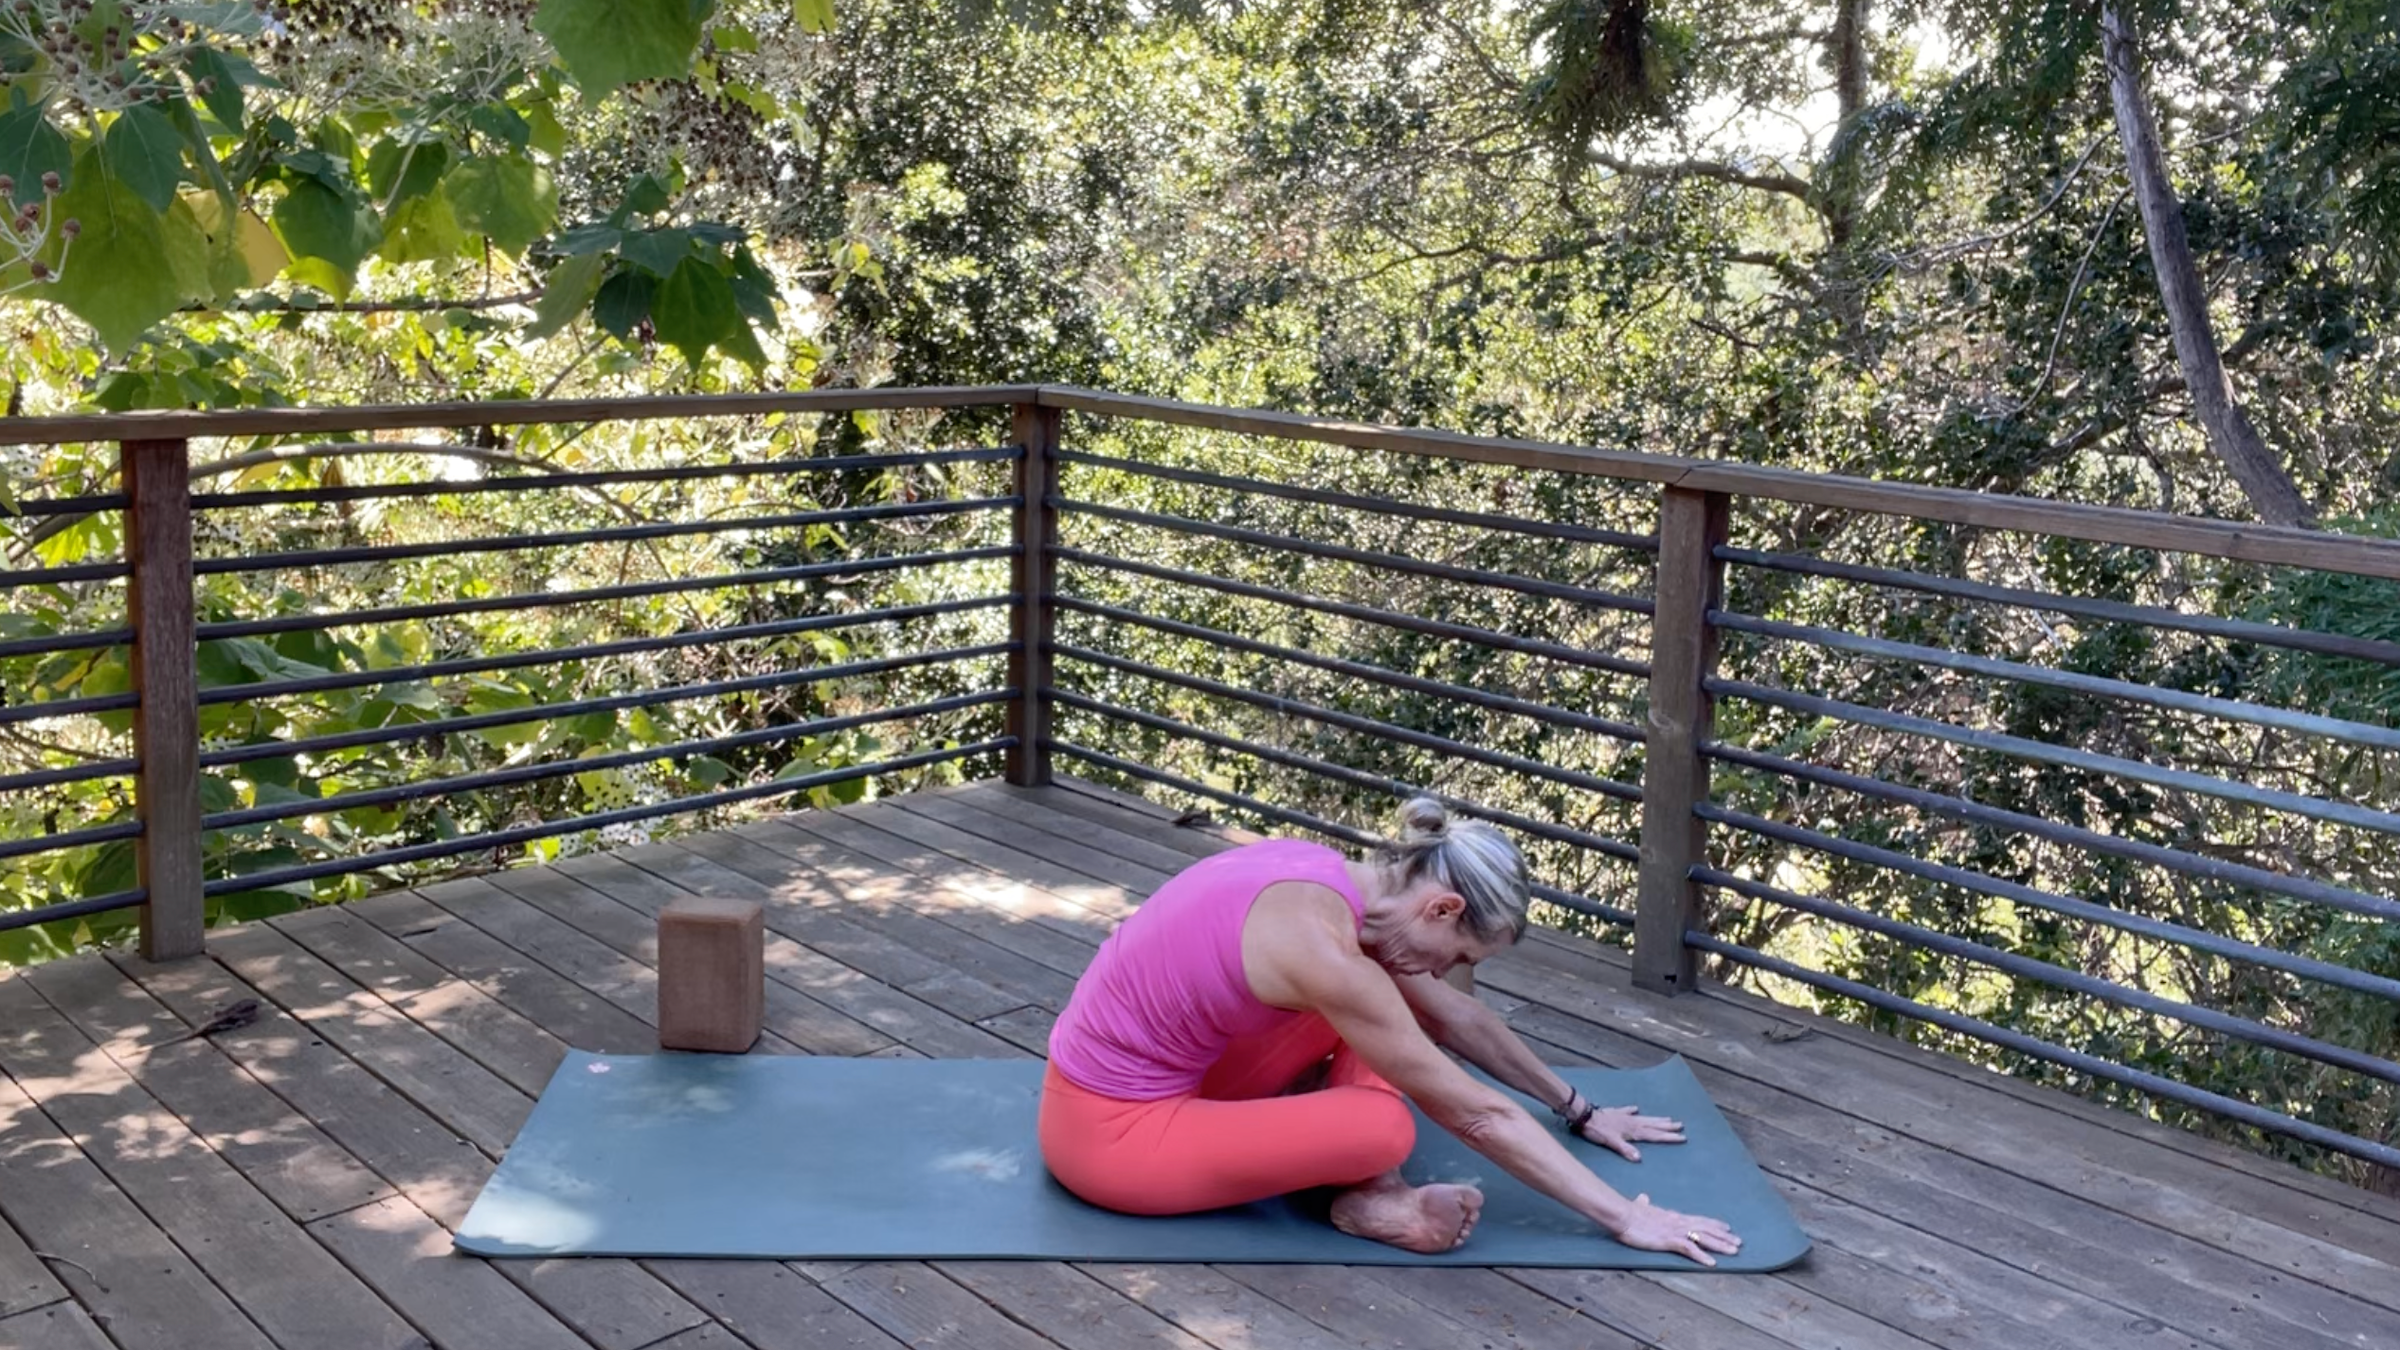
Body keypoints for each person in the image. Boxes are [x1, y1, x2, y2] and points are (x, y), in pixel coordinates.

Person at [1038, 796, 1743, 1264]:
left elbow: (1453, 1016)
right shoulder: (1320, 951)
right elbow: (1477, 1115)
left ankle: (1362, 1185)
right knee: (1383, 1127)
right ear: (1443, 908)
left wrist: (1578, 1109)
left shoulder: (1331, 884)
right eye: (1461, 956)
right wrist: (1626, 1218)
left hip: (1196, 1074)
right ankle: (1368, 1199)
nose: (1447, 971)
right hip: (1107, 1137)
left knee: (1395, 1012)